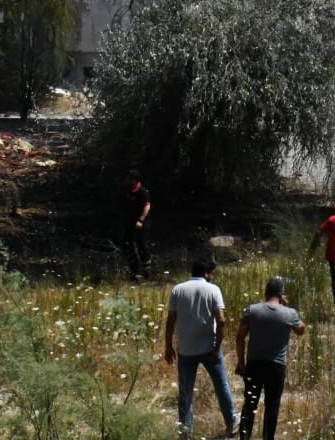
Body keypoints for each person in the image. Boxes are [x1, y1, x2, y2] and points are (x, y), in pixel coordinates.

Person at [164, 259, 238, 438]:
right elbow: (221, 320)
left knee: (185, 391)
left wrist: (168, 346)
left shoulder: (178, 290)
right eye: (210, 273)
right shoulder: (213, 290)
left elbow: (170, 320)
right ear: (206, 273)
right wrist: (217, 346)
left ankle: (185, 431)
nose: (211, 276)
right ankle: (231, 423)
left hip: (185, 349)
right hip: (208, 348)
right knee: (221, 385)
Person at [234, 277, 306, 440]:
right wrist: (286, 307)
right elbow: (301, 329)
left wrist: (240, 361)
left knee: (250, 404)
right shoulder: (289, 313)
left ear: (265, 293)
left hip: (254, 364)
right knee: (272, 406)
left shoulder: (252, 310)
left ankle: (244, 438)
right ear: (281, 295)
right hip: (276, 367)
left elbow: (240, 337)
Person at [122, 168, 152, 276]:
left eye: (128, 178)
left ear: (134, 180)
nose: (126, 180)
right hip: (130, 222)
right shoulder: (127, 191)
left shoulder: (143, 191)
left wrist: (141, 220)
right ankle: (134, 268)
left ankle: (146, 271)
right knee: (126, 243)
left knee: (141, 244)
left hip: (142, 223)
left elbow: (147, 206)